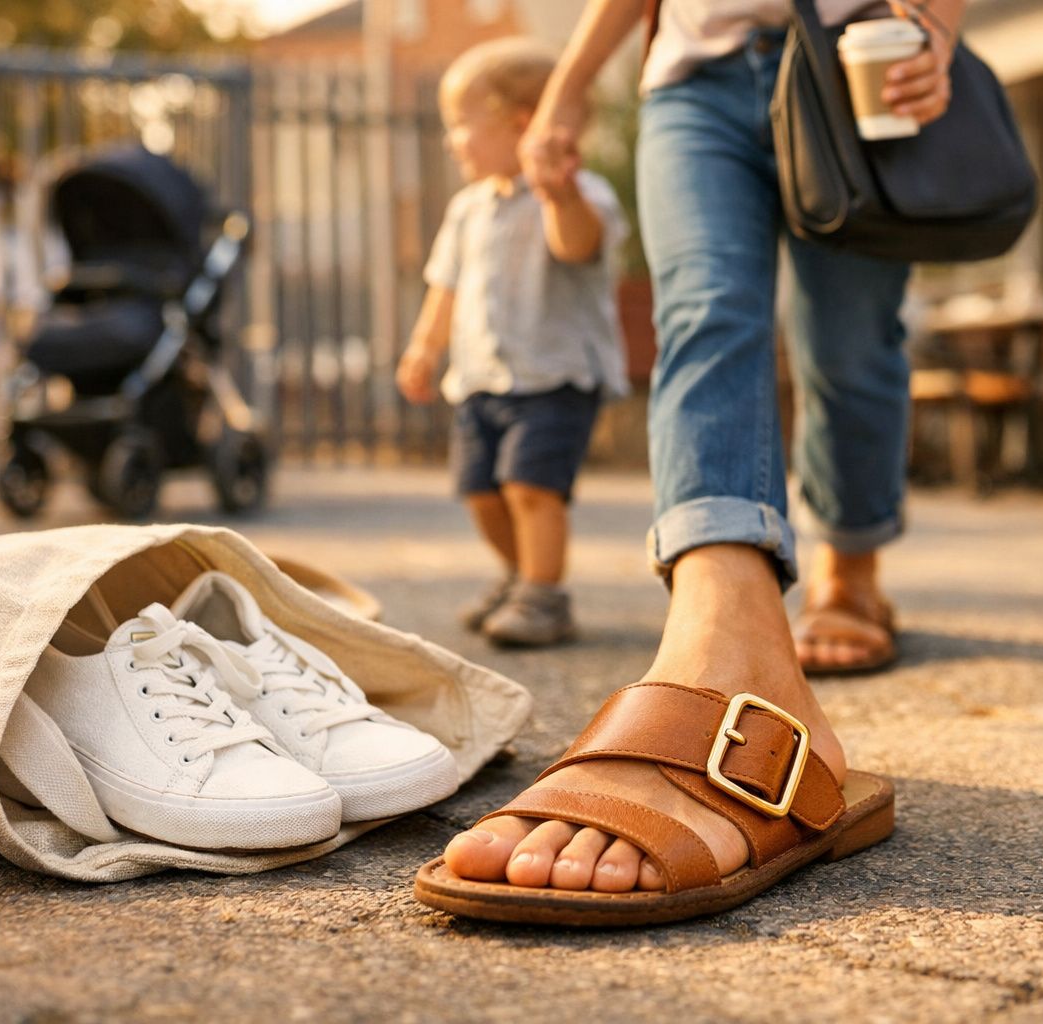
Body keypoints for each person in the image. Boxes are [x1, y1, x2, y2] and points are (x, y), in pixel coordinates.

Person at [417, 0, 962, 922]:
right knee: (706, 316)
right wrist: (569, 86)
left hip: (856, 60)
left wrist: (937, 35)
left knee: (849, 342)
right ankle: (720, 631)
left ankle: (852, 570)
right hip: (692, 75)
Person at [397, 37, 630, 649]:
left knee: (531, 488)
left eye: (462, 125)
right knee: (481, 492)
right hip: (480, 378)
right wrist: (425, 347)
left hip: (553, 377)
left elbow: (576, 245)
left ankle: (545, 597)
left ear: (520, 124)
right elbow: (445, 286)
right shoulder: (467, 209)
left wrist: (560, 194)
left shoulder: (583, 193)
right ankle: (520, 576)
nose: (453, 141)